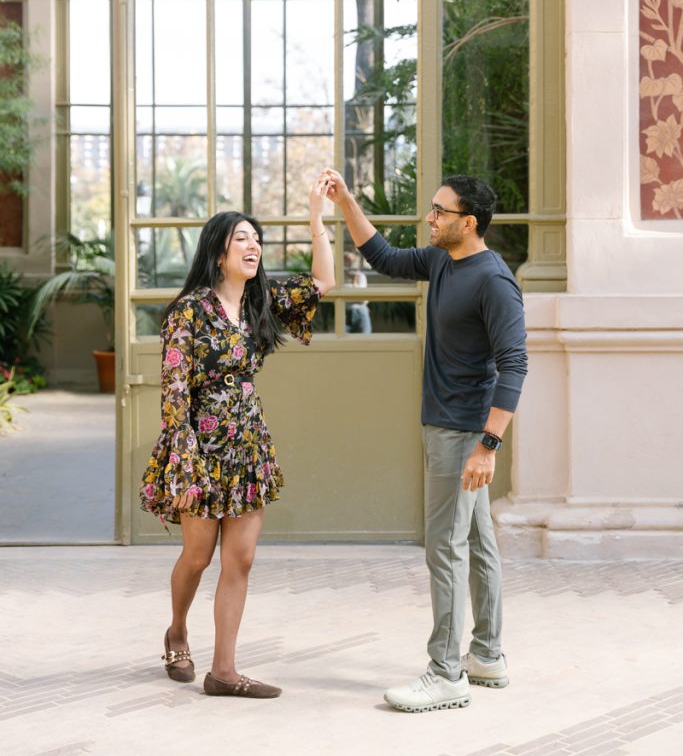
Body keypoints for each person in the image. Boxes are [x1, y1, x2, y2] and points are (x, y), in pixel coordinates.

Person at [323, 168, 527, 714]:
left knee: (445, 548)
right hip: (448, 426)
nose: (429, 217)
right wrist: (346, 202)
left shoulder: (494, 281)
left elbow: (514, 365)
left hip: (463, 433)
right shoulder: (441, 260)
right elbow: (384, 257)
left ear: (470, 222)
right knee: (476, 543)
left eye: (440, 211)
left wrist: (487, 446)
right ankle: (486, 655)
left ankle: (446, 673)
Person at [139, 174, 335, 699]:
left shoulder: (260, 301)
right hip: (199, 451)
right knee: (198, 556)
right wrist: (183, 462)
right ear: (218, 251)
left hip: (248, 446)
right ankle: (177, 632)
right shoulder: (189, 310)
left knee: (240, 559)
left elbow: (324, 280)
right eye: (241, 238)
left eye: (257, 239)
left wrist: (316, 216)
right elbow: (174, 391)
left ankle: (223, 672)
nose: (253, 246)